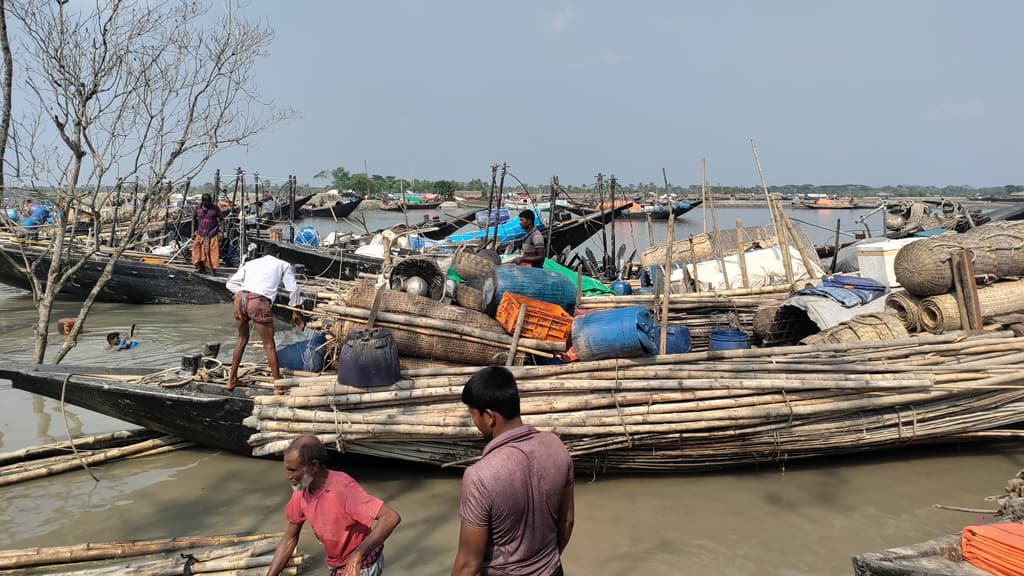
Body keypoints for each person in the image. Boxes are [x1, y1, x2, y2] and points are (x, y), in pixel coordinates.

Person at [450, 366, 574, 576]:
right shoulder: (556, 446)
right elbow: (567, 521)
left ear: (489, 416)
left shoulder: (480, 476)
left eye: (473, 415)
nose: (475, 423)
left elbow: (467, 565)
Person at [266, 435, 401, 576]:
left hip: (362, 564)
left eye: (293, 470)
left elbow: (391, 518)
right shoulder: (301, 490)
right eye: (287, 469)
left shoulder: (343, 489)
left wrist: (357, 556)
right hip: (337, 563)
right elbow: (290, 538)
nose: (289, 476)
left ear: (314, 467)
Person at [224, 250, 304, 391]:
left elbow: (230, 284)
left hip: (240, 299)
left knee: (242, 339)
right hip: (258, 302)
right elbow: (293, 289)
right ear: (278, 255)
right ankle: (278, 385)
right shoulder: (283, 265)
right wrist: (295, 311)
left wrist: (245, 295)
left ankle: (231, 380)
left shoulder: (251, 263)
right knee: (269, 345)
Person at [192, 193, 223, 274]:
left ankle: (213, 270)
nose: (209, 204)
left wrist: (222, 233)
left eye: (210, 202)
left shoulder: (215, 208)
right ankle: (201, 268)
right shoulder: (197, 208)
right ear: (203, 202)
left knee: (212, 252)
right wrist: (192, 232)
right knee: (198, 250)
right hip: (201, 232)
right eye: (208, 203)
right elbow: (193, 219)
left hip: (212, 233)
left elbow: (222, 220)